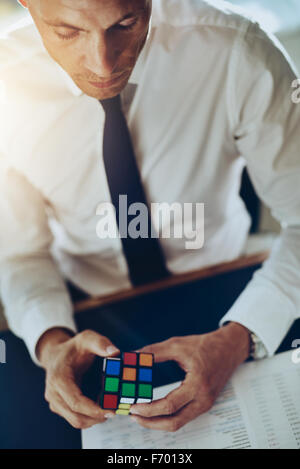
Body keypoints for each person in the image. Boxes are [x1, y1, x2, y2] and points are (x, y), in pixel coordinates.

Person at [0, 0, 299, 445]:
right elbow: (20, 253)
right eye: (67, 32)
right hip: (86, 307)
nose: (102, 64)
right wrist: (51, 342)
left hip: (228, 282)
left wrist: (239, 339)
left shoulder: (242, 53)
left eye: (125, 23)